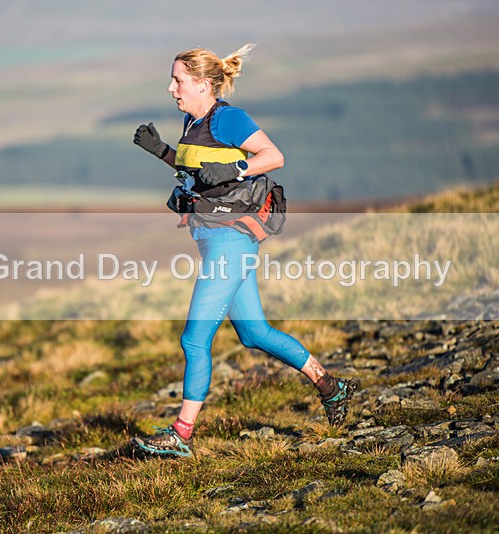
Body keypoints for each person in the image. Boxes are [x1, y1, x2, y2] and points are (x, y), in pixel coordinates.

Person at [131, 44, 354, 458]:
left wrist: (238, 168)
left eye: (177, 80)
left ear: (201, 84)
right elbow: (198, 171)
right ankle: (330, 385)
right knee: (254, 333)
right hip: (216, 238)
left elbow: (274, 156)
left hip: (231, 241)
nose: (171, 88)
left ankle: (181, 434)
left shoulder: (229, 118)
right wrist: (161, 150)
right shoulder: (191, 119)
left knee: (194, 340)